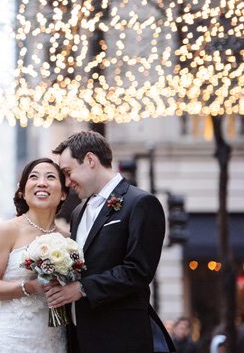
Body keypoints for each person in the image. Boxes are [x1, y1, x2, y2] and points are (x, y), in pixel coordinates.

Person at [46, 131, 175, 353]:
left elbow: (138, 271)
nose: (67, 182)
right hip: (81, 338)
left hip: (121, 338)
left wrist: (82, 288)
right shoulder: (77, 212)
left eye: (68, 172)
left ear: (90, 160)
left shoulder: (141, 203)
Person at [0, 157, 68, 353]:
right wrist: (31, 287)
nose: (42, 182)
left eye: (50, 177)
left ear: (63, 194)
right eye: (34, 177)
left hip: (54, 338)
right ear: (22, 192)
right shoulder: (6, 231)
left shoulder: (68, 239)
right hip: (13, 339)